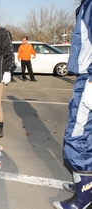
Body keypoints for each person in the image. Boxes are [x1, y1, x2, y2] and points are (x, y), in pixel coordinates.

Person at [52, 0, 92, 208]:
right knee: (88, 135)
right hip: (86, 76)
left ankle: (84, 197)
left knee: (77, 137)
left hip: (89, 78)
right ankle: (86, 184)